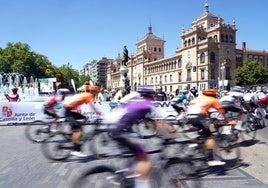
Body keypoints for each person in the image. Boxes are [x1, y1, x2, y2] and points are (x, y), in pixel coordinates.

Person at [107, 85, 157, 188]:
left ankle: (124, 174)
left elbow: (144, 119)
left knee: (135, 153)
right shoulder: (146, 105)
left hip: (115, 128)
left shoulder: (139, 102)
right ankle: (141, 185)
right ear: (150, 95)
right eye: (153, 94)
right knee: (143, 157)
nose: (154, 96)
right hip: (119, 130)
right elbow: (155, 124)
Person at [186, 89, 227, 166]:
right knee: (210, 137)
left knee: (201, 132)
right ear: (214, 94)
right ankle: (210, 159)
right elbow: (222, 111)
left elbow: (205, 111)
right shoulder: (212, 99)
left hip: (189, 117)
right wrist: (228, 120)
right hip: (198, 117)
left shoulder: (199, 98)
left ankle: (196, 144)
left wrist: (208, 118)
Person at [63, 83, 100, 157]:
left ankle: (77, 134)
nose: (97, 94)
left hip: (69, 109)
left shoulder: (86, 94)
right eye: (97, 92)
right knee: (77, 130)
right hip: (68, 110)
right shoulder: (89, 95)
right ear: (94, 92)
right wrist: (99, 113)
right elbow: (92, 106)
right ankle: (75, 150)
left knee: (84, 119)